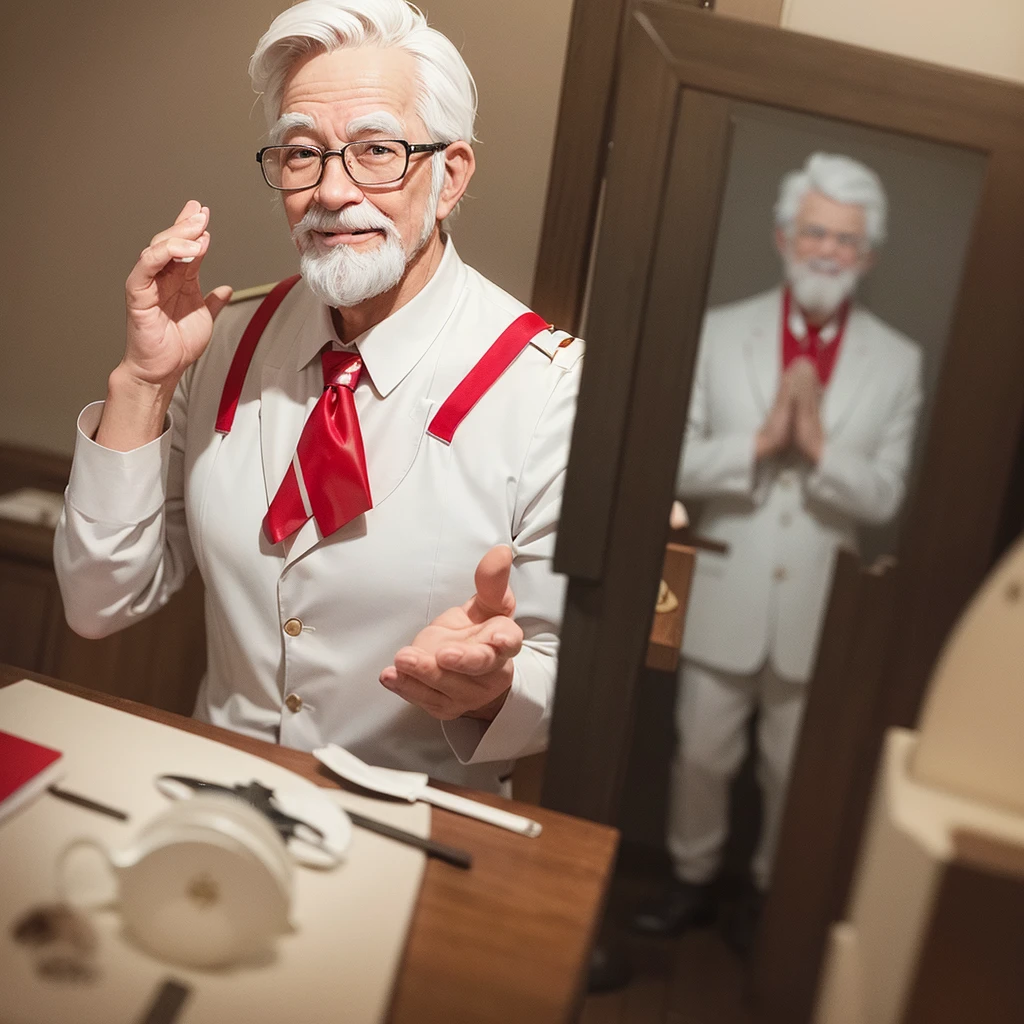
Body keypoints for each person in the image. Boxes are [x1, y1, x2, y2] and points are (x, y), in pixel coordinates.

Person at [53, 0, 583, 794]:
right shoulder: (222, 340)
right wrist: (143, 383)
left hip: (414, 824)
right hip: (215, 800)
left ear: (450, 176)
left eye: (377, 150)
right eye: (302, 154)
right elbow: (99, 603)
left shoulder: (548, 388)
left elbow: (564, 680)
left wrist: (494, 690)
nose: (332, 191)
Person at [633, 153, 922, 942]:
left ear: (869, 254)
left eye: (848, 240)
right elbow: (677, 461)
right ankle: (690, 882)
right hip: (724, 588)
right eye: (815, 232)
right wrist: (759, 443)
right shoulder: (720, 334)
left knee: (796, 772)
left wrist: (821, 449)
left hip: (820, 605)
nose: (829, 250)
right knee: (700, 753)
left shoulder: (899, 362)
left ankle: (769, 898)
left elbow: (889, 497)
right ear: (784, 235)